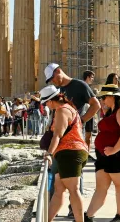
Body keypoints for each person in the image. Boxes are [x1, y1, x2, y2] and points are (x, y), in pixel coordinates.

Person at [45, 63, 101, 218]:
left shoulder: (79, 85)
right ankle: (53, 212)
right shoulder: (58, 91)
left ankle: (74, 211)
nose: (52, 82)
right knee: (59, 182)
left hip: (72, 141)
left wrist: (81, 120)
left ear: (58, 72)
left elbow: (96, 105)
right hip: (61, 144)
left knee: (74, 182)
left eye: (52, 78)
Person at [84, 85, 120, 222]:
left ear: (112, 96)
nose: (102, 100)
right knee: (100, 187)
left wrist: (114, 150)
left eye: (104, 97)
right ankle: (88, 216)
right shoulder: (110, 112)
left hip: (118, 154)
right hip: (104, 155)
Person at [40, 85, 88, 222]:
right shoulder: (69, 108)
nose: (46, 106)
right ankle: (47, 219)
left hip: (70, 152)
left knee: (73, 190)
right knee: (59, 189)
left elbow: (57, 135)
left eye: (45, 103)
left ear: (50, 101)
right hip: (71, 151)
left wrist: (49, 153)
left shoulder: (62, 111)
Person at [82, 70, 96, 156]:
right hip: (84, 113)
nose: (93, 79)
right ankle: (84, 152)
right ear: (87, 77)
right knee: (85, 135)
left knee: (89, 134)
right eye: (92, 77)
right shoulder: (82, 87)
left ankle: (87, 153)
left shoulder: (89, 88)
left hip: (90, 112)